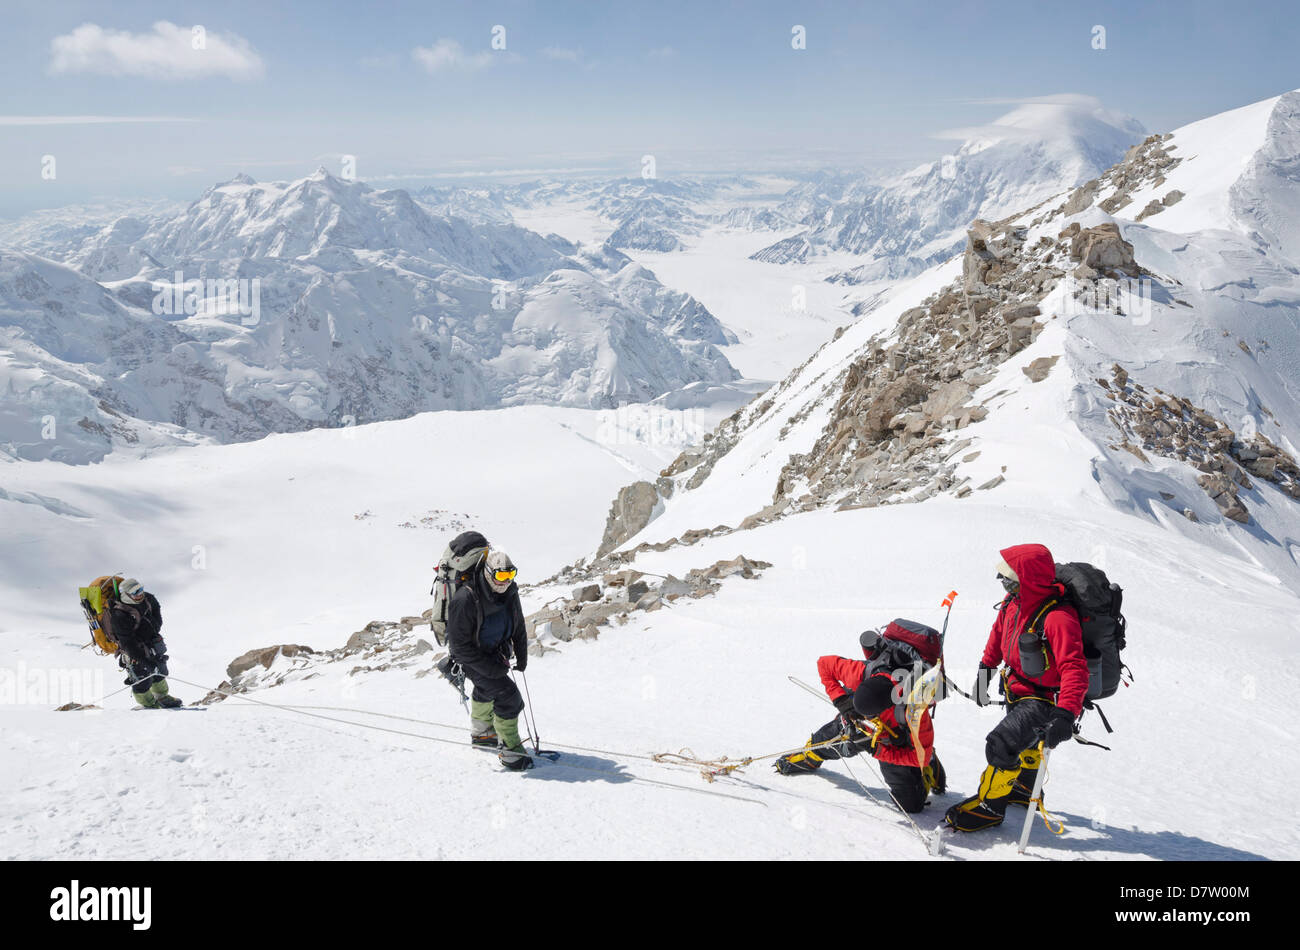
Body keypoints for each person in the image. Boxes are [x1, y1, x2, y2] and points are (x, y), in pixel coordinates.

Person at [945, 543, 1087, 832]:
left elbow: (1075, 669)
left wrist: (1065, 714)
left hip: (1044, 700)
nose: (1002, 580)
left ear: (1029, 579)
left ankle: (990, 808)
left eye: (1010, 576)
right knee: (1027, 744)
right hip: (1015, 687)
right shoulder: (1014, 603)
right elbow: (998, 635)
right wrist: (985, 669)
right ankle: (1023, 790)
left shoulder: (1058, 618)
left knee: (1002, 743)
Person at [775, 625, 946, 813]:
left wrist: (878, 750)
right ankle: (809, 757)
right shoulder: (859, 672)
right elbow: (824, 664)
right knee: (828, 740)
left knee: (911, 806)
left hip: (893, 741)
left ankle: (930, 765)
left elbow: (918, 758)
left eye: (872, 715)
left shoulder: (914, 711)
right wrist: (842, 701)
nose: (870, 718)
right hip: (854, 718)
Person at [446, 547, 532, 770]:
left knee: (487, 689)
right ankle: (511, 752)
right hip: (471, 657)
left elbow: (518, 624)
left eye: (510, 575)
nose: (506, 582)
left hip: (495, 651)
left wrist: (522, 654)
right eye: (501, 576)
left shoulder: (510, 592)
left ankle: (483, 734)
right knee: (509, 698)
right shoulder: (466, 598)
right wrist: (490, 669)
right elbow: (459, 647)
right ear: (487, 572)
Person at [107, 578, 183, 709]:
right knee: (141, 677)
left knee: (160, 669)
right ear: (126, 594)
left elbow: (156, 610)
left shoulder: (148, 598)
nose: (140, 593)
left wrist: (155, 628)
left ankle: (162, 697)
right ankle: (148, 703)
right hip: (134, 649)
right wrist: (145, 662)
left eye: (140, 589)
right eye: (135, 591)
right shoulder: (119, 615)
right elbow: (128, 644)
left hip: (152, 642)